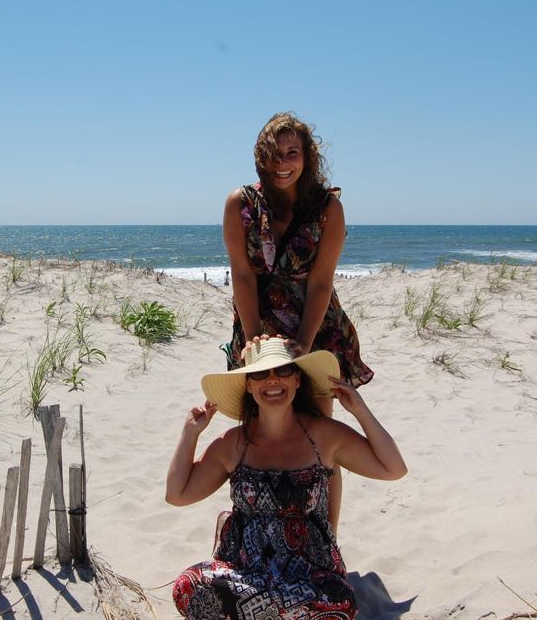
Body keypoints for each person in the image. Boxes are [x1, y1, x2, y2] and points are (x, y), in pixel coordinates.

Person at [166, 337, 406, 620]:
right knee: (187, 586)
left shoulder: (325, 435)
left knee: (337, 604)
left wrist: (360, 411)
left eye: (282, 371)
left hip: (311, 578)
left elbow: (393, 468)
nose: (272, 381)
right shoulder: (234, 443)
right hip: (244, 573)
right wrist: (190, 434)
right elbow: (177, 495)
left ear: (296, 380)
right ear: (249, 385)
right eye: (260, 374)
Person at [223, 112, 373, 530]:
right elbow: (242, 275)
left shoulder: (328, 208)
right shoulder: (241, 204)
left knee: (320, 438)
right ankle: (258, 534)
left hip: (316, 328)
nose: (283, 162)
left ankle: (328, 541)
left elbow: (322, 281)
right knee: (259, 433)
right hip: (259, 326)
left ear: (307, 156)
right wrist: (255, 346)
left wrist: (304, 349)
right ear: (261, 158)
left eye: (292, 153)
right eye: (274, 154)